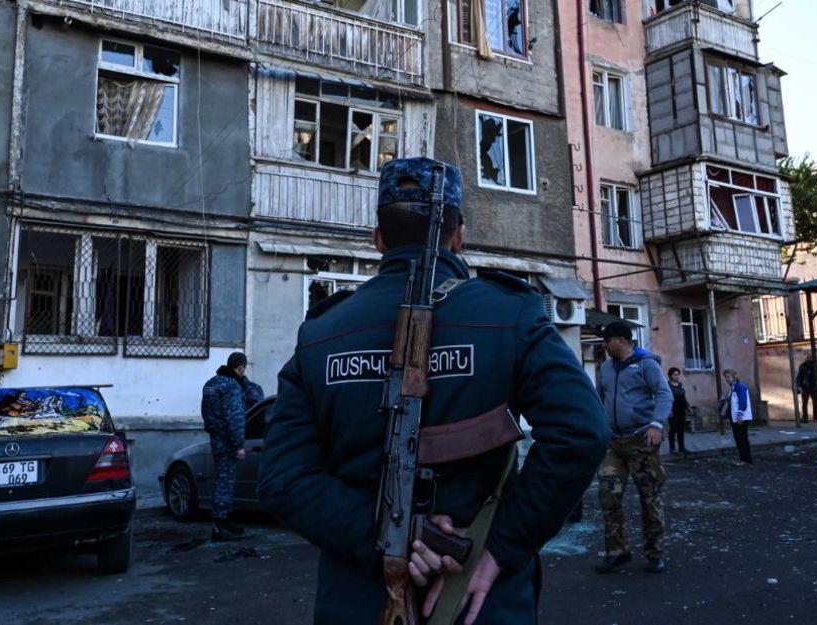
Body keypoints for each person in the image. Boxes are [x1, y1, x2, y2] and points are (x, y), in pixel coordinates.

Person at [258, 157, 609, 625]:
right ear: (458, 235)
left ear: (377, 239)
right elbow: (582, 432)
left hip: (356, 601)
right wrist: (498, 548)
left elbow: (283, 479)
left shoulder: (321, 334)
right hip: (477, 600)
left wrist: (388, 540)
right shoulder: (510, 314)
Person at [594, 320, 673, 575]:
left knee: (649, 497)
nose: (604, 345)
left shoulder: (646, 364)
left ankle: (654, 552)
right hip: (613, 442)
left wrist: (656, 424)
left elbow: (664, 394)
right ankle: (617, 552)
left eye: (607, 340)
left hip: (642, 440)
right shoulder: (606, 368)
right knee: (609, 495)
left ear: (620, 340)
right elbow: (599, 398)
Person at [201, 352, 264, 541]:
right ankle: (220, 524)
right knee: (225, 481)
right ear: (241, 368)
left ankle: (225, 520)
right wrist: (239, 445)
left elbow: (206, 413)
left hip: (216, 437)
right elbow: (235, 418)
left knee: (222, 478)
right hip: (228, 440)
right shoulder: (231, 386)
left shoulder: (211, 384)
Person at [723, 369, 753, 465]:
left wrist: (740, 414)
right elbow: (731, 404)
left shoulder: (740, 387)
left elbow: (742, 401)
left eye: (728, 377)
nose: (726, 379)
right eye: (725, 377)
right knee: (739, 438)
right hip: (735, 417)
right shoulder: (732, 388)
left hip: (741, 417)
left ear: (734, 376)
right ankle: (743, 458)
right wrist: (728, 416)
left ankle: (746, 459)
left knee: (742, 438)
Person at [667, 367, 689, 455]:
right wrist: (669, 410)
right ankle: (672, 448)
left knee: (681, 430)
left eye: (678, 374)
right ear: (670, 376)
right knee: (672, 430)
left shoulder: (680, 385)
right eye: (675, 375)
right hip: (673, 410)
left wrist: (688, 407)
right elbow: (667, 399)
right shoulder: (668, 386)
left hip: (681, 410)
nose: (677, 376)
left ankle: (681, 447)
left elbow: (683, 397)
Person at [795, 352, 817, 423]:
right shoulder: (815, 366)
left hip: (806, 387)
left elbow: (799, 377)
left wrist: (798, 386)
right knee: (814, 403)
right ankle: (816, 417)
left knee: (805, 403)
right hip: (812, 387)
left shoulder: (803, 366)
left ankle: (805, 418)